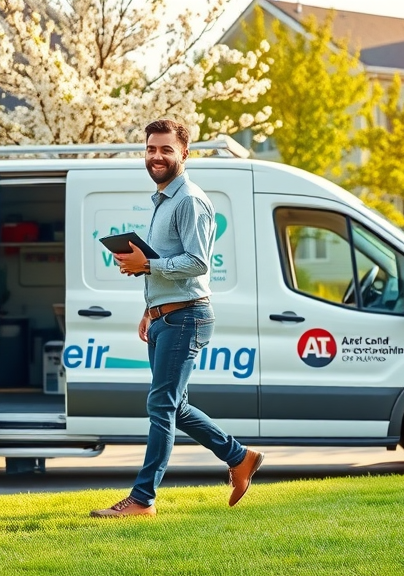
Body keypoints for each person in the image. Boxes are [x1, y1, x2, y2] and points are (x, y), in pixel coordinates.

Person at [90, 119, 264, 518]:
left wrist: (147, 264)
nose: (157, 156)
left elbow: (198, 262)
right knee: (175, 405)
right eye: (151, 149)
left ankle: (142, 499)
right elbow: (166, 263)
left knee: (161, 406)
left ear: (184, 153)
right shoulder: (163, 199)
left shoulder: (189, 200)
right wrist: (150, 308)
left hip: (188, 317)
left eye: (166, 149)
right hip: (166, 316)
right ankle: (240, 457)